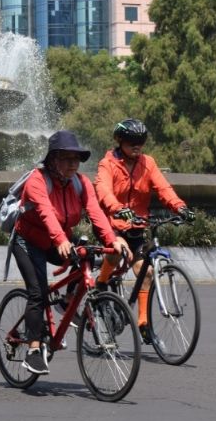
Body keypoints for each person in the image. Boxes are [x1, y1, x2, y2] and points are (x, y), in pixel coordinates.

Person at [11, 130, 130, 376]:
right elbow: (45, 212)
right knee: (38, 293)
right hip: (28, 240)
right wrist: (60, 240)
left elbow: (96, 214)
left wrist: (112, 239)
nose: (73, 164)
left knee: (86, 253)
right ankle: (33, 350)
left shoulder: (81, 182)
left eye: (76, 159)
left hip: (58, 239)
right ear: (53, 160)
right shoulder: (37, 180)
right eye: (66, 159)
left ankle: (66, 302)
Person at [94, 118, 195, 344]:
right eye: (131, 141)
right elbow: (103, 191)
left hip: (137, 225)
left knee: (147, 273)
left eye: (141, 140)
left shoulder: (147, 163)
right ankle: (101, 282)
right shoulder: (107, 164)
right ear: (120, 141)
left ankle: (143, 324)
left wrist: (180, 207)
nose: (136, 145)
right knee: (117, 251)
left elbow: (163, 188)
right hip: (111, 223)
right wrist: (118, 209)